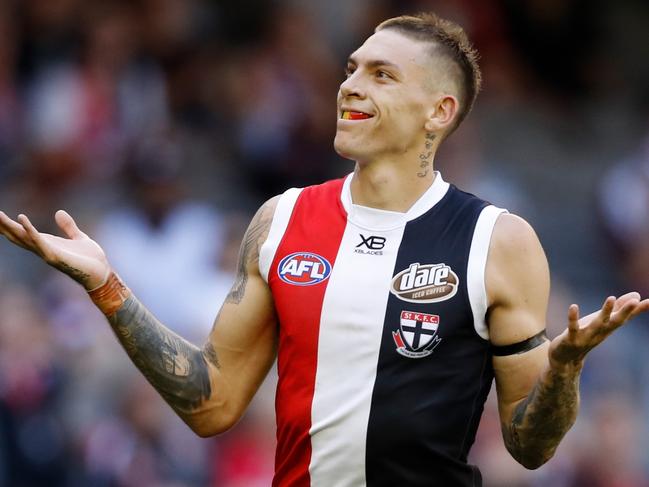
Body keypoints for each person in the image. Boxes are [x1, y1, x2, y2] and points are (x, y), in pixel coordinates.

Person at [1, 12, 648, 487]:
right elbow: (213, 403)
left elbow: (529, 446)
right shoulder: (280, 219)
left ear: (438, 110)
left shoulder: (497, 240)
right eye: (350, 70)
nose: (349, 86)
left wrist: (562, 369)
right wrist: (108, 288)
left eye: (380, 74)